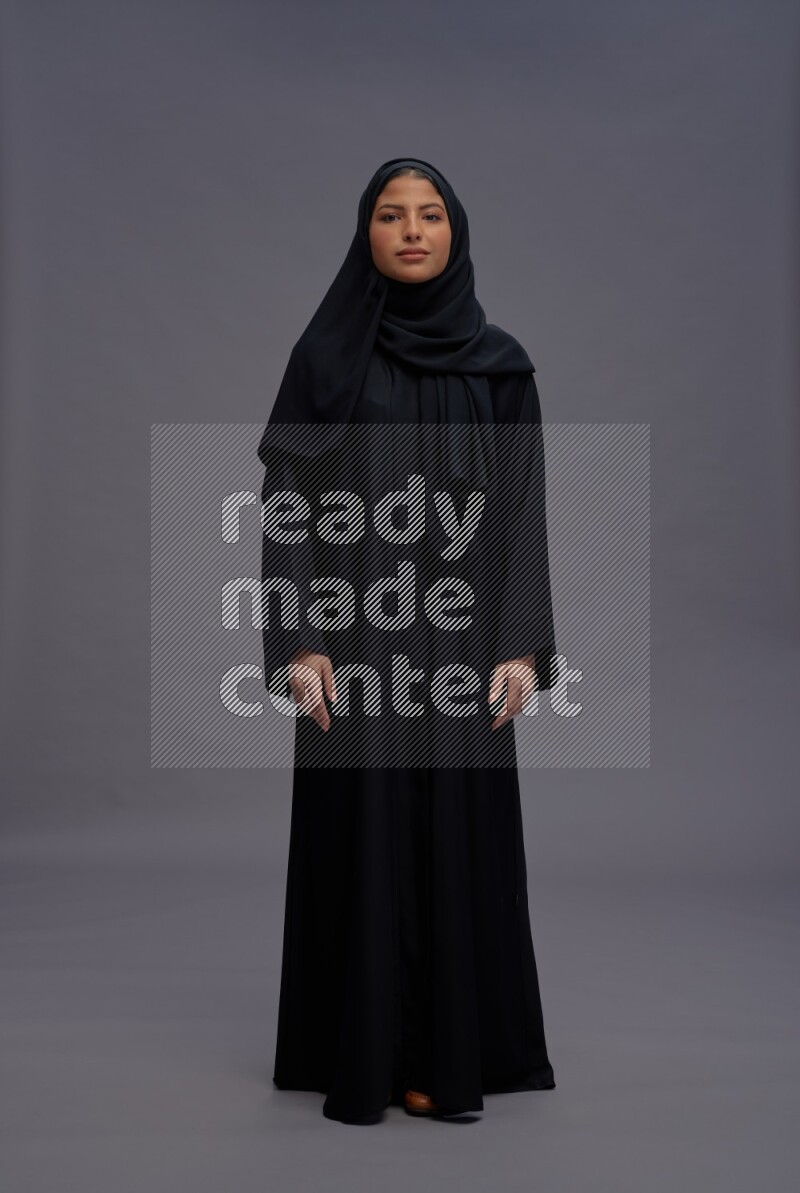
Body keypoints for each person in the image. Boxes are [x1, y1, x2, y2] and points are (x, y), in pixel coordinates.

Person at [257, 157, 559, 1124]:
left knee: (457, 841)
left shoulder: (500, 366)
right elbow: (289, 504)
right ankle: (365, 1052)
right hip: (357, 642)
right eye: (392, 215)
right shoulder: (325, 360)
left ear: (455, 231)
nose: (413, 230)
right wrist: (300, 641)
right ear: (367, 233)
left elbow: (522, 510)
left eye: (430, 214)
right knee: (362, 837)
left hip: (465, 644)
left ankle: (445, 1053)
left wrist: (521, 644)